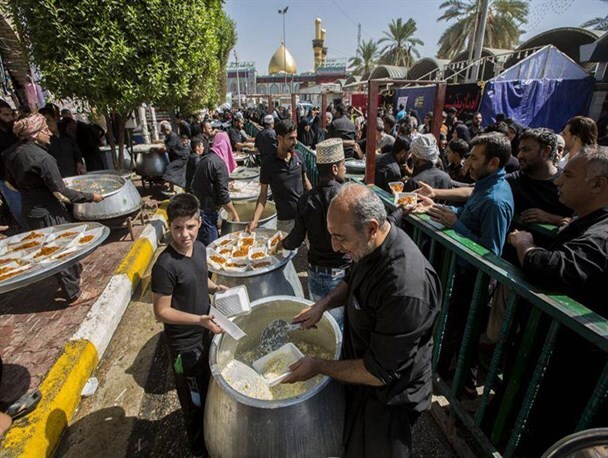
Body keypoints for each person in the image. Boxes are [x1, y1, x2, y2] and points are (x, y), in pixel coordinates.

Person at [283, 183, 441, 457]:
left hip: (389, 397)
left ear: (370, 228)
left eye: (340, 238)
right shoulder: (370, 242)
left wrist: (318, 365)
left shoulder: (405, 288)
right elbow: (352, 279)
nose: (334, 246)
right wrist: (323, 304)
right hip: (364, 377)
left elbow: (377, 372)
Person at [507, 145, 608, 455]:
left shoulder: (602, 235)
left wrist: (527, 246)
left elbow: (553, 269)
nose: (557, 181)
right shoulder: (588, 222)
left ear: (597, 185)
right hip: (558, 350)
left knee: (551, 428)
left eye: (568, 174)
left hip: (576, 362)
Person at [424, 133, 514, 396]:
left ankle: (464, 387)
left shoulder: (496, 200)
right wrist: (441, 209)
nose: (468, 162)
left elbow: (490, 252)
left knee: (468, 333)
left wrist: (456, 225)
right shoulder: (485, 185)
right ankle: (445, 374)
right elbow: (468, 213)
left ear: (494, 162)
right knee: (457, 327)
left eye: (474, 158)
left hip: (477, 280)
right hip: (464, 274)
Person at [151, 193, 227, 458]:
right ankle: (198, 449)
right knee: (193, 402)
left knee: (211, 391)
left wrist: (215, 286)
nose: (184, 234)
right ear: (169, 226)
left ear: (199, 221)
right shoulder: (165, 265)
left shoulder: (202, 248)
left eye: (190, 227)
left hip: (205, 334)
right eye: (177, 228)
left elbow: (198, 279)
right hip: (184, 346)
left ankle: (212, 435)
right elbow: (161, 311)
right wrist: (199, 320)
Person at [4, 114, 103, 303]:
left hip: (29, 209)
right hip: (49, 211)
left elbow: (11, 184)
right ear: (34, 134)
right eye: (45, 130)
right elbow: (62, 192)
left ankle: (70, 281)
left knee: (49, 248)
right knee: (61, 250)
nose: (50, 133)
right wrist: (91, 197)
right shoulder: (43, 158)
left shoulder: (12, 153)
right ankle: (74, 294)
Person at [281, 139, 351, 327]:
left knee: (319, 324)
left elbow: (294, 240)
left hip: (316, 274)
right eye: (344, 164)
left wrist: (281, 243)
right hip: (341, 278)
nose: (346, 168)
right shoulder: (347, 198)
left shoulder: (306, 200)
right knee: (338, 328)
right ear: (335, 169)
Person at [247, 119, 312, 233]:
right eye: (291, 138)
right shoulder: (268, 164)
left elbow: (306, 182)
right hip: (285, 221)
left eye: (296, 137)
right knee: (288, 251)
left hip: (304, 215)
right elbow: (263, 196)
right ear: (279, 138)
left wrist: (317, 202)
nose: (295, 142)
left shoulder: (299, 157)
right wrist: (254, 220)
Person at [190, 135, 240, 245]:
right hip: (208, 211)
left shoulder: (206, 158)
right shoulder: (219, 163)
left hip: (198, 207)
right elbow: (223, 197)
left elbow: (208, 181)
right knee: (211, 245)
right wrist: (234, 214)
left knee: (202, 242)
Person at [39, 107, 85, 177]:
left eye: (49, 120)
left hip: (74, 174)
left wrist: (79, 163)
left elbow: (76, 151)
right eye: (44, 123)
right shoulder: (44, 140)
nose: (47, 124)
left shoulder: (66, 135)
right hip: (58, 176)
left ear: (55, 119)